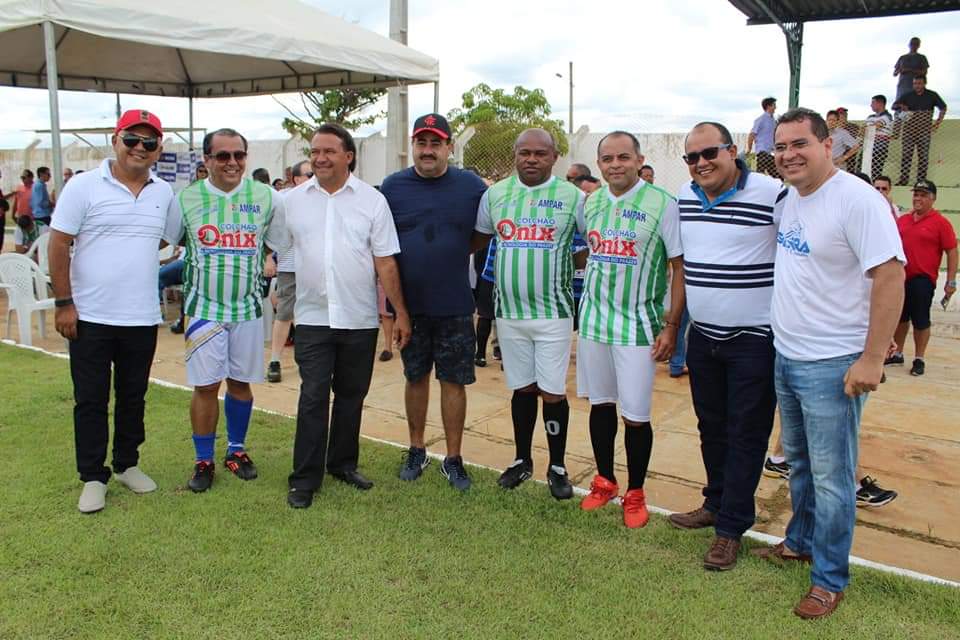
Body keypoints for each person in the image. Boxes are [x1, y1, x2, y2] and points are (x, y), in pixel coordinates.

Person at [752, 107, 905, 620]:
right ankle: (799, 541)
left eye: (800, 144)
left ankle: (829, 578)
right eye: (781, 147)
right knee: (797, 462)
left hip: (833, 361)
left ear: (828, 145)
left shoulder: (857, 200)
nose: (789, 154)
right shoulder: (789, 199)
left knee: (834, 476)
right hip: (788, 354)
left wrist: (870, 358)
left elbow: (889, 277)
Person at [266, 123, 411, 509]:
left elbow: (385, 260)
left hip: (360, 317)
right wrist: (279, 288)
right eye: (315, 151)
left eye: (329, 151)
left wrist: (399, 313)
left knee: (351, 395)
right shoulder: (291, 201)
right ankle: (304, 478)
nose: (319, 157)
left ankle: (343, 464)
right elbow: (280, 249)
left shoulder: (372, 201)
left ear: (349, 156)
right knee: (313, 395)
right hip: (312, 316)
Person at [667, 121, 785, 571]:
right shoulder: (684, 196)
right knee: (710, 427)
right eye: (692, 157)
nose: (701, 163)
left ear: (733, 151)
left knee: (746, 434)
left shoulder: (772, 194)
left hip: (755, 339)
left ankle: (731, 528)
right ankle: (715, 502)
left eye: (709, 153)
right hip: (705, 337)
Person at [48, 108, 178, 514]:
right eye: (132, 140)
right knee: (90, 398)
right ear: (115, 140)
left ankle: (126, 464)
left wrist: (128, 250)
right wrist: (65, 302)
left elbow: (167, 239)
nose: (140, 148)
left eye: (149, 142)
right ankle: (92, 476)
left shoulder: (163, 193)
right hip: (89, 315)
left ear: (159, 149)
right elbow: (57, 244)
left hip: (140, 316)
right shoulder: (84, 187)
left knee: (133, 396)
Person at [577, 131, 684, 528]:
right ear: (599, 163)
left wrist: (671, 326)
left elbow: (679, 267)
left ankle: (635, 491)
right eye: (607, 159)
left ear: (639, 160)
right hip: (593, 324)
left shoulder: (663, 204)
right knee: (600, 405)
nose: (615, 165)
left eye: (624, 157)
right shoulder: (593, 202)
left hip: (639, 328)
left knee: (636, 415)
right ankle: (604, 481)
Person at [473, 128, 584, 500]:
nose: (531, 159)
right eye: (525, 153)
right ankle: (522, 460)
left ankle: (557, 466)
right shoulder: (495, 195)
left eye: (540, 153)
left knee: (552, 391)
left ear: (554, 157)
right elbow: (483, 241)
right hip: (508, 314)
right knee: (522, 388)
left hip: (553, 313)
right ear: (515, 155)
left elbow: (588, 246)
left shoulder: (573, 198)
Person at [168, 127, 281, 493]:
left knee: (240, 384)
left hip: (247, 310)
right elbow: (167, 242)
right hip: (203, 309)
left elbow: (279, 245)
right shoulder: (186, 199)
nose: (232, 162)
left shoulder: (265, 196)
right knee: (205, 386)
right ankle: (204, 459)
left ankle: (236, 451)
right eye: (223, 156)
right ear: (207, 160)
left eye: (239, 155)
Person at [380, 113, 487, 491]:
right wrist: (397, 310)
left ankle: (454, 458)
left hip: (455, 304)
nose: (428, 151)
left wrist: (454, 249)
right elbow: (382, 247)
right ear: (413, 146)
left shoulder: (471, 186)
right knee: (415, 377)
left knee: (454, 381)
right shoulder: (391, 187)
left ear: (449, 147)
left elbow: (481, 235)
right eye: (421, 143)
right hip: (411, 309)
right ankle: (416, 448)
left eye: (435, 143)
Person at [886, 180, 957, 376]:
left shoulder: (941, 223)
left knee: (920, 319)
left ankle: (919, 357)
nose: (918, 198)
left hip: (922, 279)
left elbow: (951, 251)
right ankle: (897, 353)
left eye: (923, 195)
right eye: (916, 194)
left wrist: (951, 281)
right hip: (901, 277)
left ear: (933, 199)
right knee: (900, 317)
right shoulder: (903, 220)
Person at [267, 160, 312, 383]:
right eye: (308, 174)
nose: (314, 177)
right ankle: (275, 360)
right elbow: (267, 229)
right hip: (290, 266)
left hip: (316, 268)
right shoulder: (283, 200)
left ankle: (309, 360)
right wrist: (268, 258)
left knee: (312, 315)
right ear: (296, 179)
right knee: (285, 313)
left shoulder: (324, 199)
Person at [896, 76, 947, 185]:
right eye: (915, 83)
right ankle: (903, 179)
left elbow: (943, 107)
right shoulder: (907, 95)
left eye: (919, 83)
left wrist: (937, 123)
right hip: (908, 130)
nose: (917, 86)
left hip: (924, 130)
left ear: (924, 83)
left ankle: (921, 181)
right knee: (906, 155)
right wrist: (902, 106)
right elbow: (894, 105)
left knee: (923, 156)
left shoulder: (932, 95)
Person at [747, 97, 779, 178]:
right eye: (774, 105)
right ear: (768, 106)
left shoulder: (773, 121)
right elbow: (752, 134)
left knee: (777, 177)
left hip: (771, 152)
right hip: (762, 152)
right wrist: (749, 149)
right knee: (762, 175)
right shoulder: (760, 119)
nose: (775, 107)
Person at [893, 37, 929, 104]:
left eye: (916, 44)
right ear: (909, 44)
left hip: (917, 88)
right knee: (900, 106)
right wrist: (899, 71)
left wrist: (909, 70)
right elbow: (894, 73)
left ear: (919, 46)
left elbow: (924, 72)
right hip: (902, 87)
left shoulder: (922, 58)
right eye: (912, 44)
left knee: (915, 106)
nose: (914, 45)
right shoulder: (902, 57)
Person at [865, 95, 893, 180]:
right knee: (864, 169)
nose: (871, 105)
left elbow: (876, 126)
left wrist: (870, 128)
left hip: (880, 147)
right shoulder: (870, 117)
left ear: (880, 103)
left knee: (876, 170)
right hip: (868, 147)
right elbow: (864, 130)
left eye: (873, 102)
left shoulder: (887, 116)